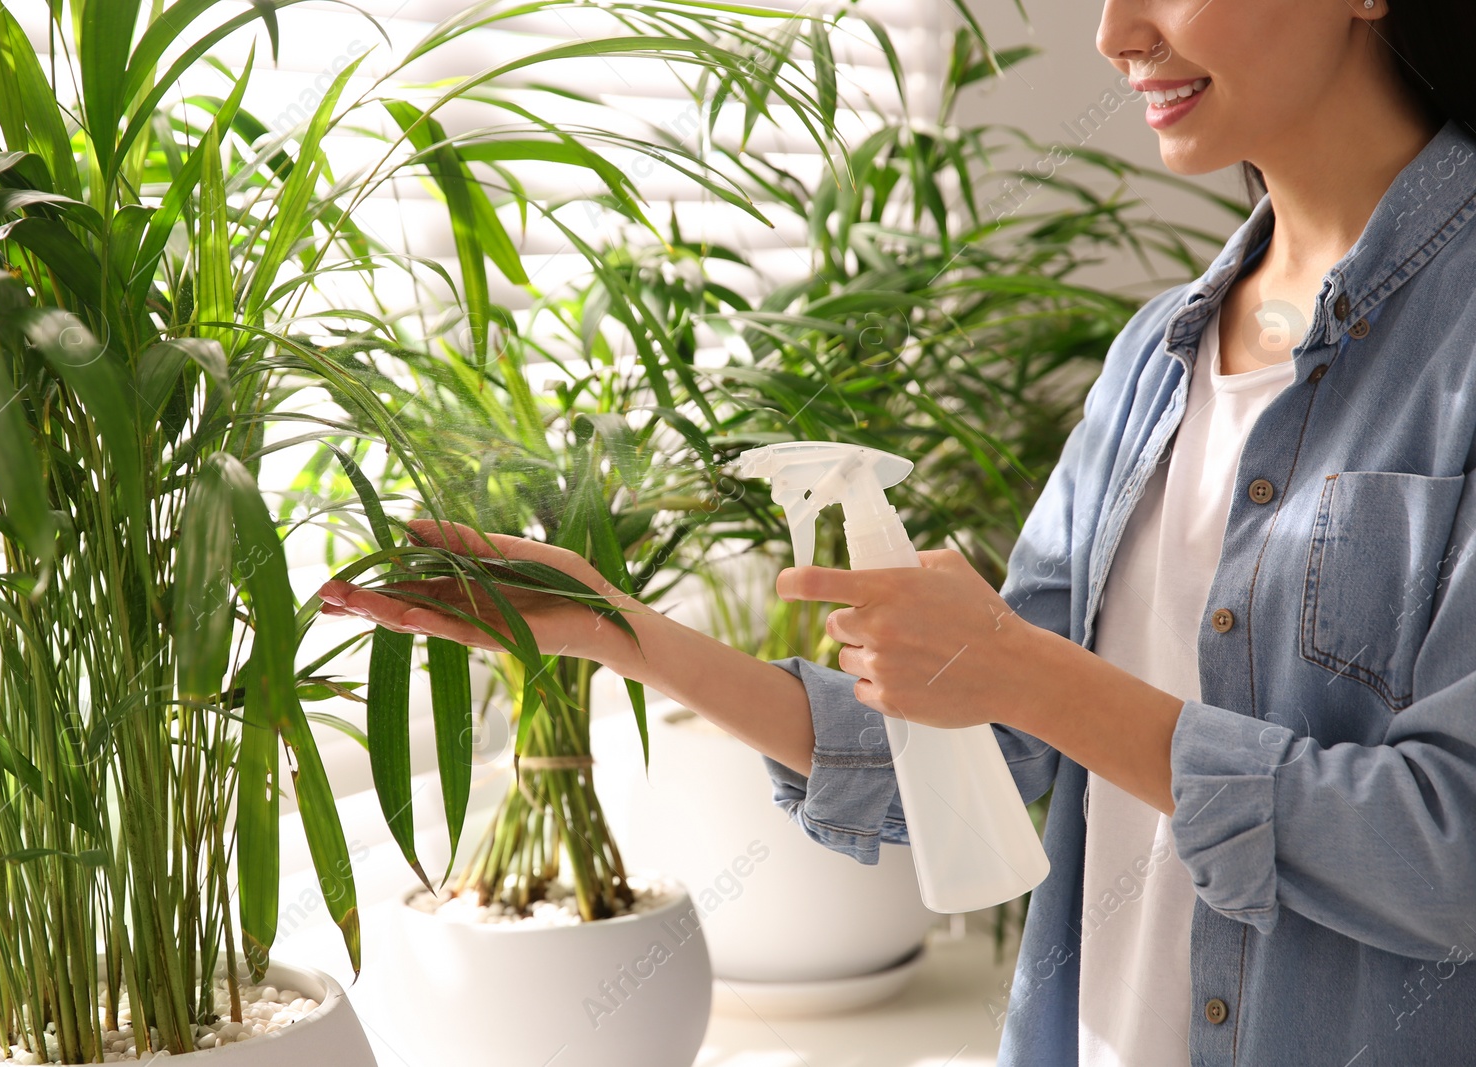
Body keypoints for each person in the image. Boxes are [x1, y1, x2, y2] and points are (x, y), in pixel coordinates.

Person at [318, 0, 1476, 1062]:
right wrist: (620, 632)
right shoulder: (1153, 360)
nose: (1115, 35)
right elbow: (985, 743)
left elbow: (1448, 851)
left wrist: (1022, 671)